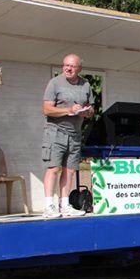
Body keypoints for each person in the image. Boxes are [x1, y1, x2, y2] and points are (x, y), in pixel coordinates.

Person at [41, 54, 93, 218]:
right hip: (55, 132)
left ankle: (65, 205)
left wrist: (87, 112)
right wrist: (68, 110)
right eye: (65, 65)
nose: (68, 68)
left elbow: (91, 110)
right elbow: (47, 109)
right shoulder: (55, 83)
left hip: (75, 134)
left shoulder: (85, 85)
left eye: (72, 66)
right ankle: (49, 206)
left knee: (70, 171)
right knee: (54, 168)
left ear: (79, 68)